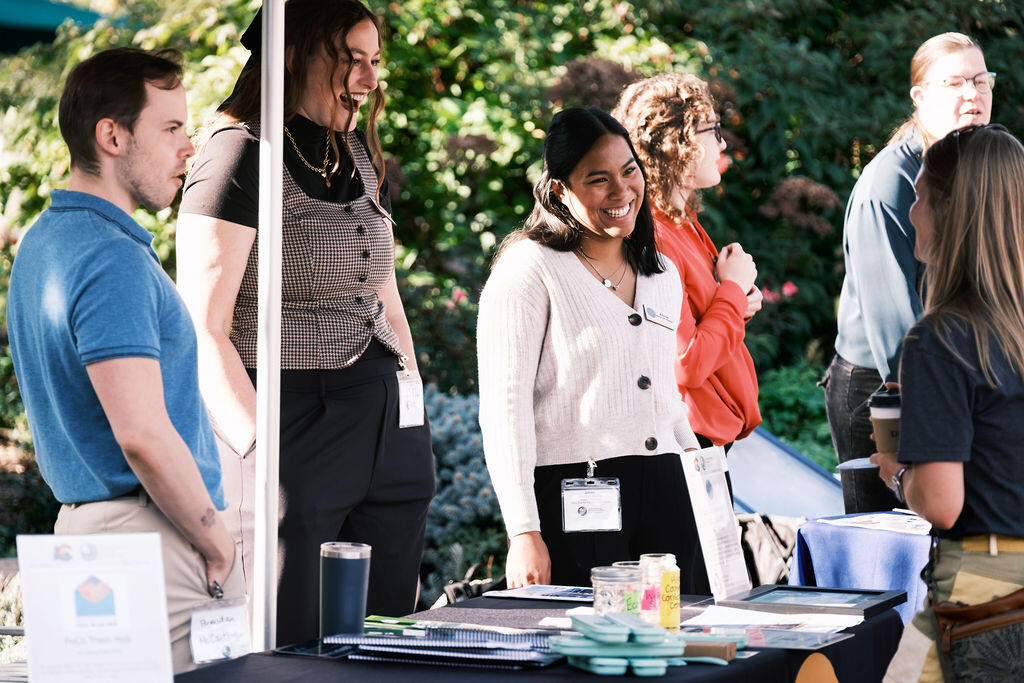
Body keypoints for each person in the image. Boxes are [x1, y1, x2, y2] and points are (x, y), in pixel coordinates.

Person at [176, 0, 434, 646]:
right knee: (297, 640)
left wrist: (414, 402)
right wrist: (264, 459)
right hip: (292, 420)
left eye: (375, 62)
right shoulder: (236, 157)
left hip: (386, 423)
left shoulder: (355, 148)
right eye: (353, 61)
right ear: (293, 54)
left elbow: (387, 293)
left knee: (389, 635)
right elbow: (202, 328)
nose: (371, 80)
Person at [6, 47, 241, 673]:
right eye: (170, 128)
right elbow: (140, 432)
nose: (189, 147)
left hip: (85, 538)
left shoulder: (44, 242)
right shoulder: (109, 256)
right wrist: (217, 542)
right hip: (151, 543)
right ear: (111, 135)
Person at [477, 106, 706, 592]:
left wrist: (701, 476)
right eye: (598, 180)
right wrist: (523, 530)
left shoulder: (661, 273)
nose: (622, 191)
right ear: (561, 190)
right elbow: (505, 408)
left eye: (629, 171)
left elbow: (665, 394)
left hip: (668, 489)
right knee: (588, 646)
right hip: (576, 495)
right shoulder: (528, 270)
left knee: (677, 640)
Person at [871, 124, 1024, 681]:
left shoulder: (944, 337)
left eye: (918, 195)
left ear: (949, 209)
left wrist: (896, 471)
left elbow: (940, 503)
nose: (911, 212)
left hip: (986, 590)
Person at [828, 32, 994, 513]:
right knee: (891, 549)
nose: (973, 95)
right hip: (883, 386)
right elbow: (899, 335)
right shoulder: (891, 185)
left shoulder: (976, 162)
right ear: (919, 97)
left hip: (945, 373)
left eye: (982, 81)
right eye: (956, 82)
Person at [613, 74, 762, 455]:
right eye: (712, 129)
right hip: (687, 443)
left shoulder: (679, 221)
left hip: (705, 437)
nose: (722, 143)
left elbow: (697, 320)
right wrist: (731, 290)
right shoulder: (654, 236)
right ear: (678, 142)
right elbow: (687, 362)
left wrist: (737, 302)